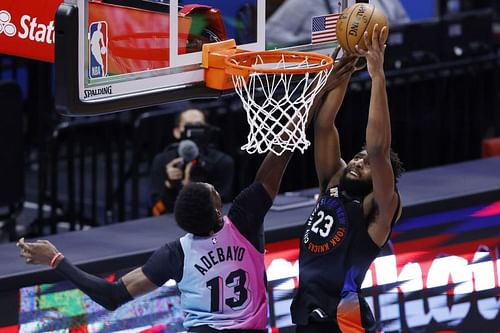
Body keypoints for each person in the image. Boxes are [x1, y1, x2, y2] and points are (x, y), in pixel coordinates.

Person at [15, 55, 358, 333]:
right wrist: (315, 95)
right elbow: (281, 149)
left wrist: (56, 260)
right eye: (212, 191)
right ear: (218, 209)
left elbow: (112, 295)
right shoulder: (243, 220)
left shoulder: (175, 254)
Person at [290, 25, 404, 332]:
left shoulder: (377, 207)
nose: (358, 162)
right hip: (311, 308)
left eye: (366, 165)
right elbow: (325, 125)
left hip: (344, 317)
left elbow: (379, 150)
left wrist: (377, 75)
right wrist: (347, 64)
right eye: (358, 156)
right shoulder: (333, 182)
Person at [149, 108, 235, 216]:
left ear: (207, 129)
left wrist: (191, 190)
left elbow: (222, 211)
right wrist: (169, 185)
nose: (194, 130)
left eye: (199, 125)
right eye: (189, 125)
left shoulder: (222, 162)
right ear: (176, 131)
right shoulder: (163, 161)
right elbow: (156, 211)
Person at [266, 0, 410, 48]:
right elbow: (270, 33)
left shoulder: (385, 2)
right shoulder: (306, 2)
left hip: (381, 77)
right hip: (326, 83)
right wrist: (312, 47)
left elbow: (407, 30)